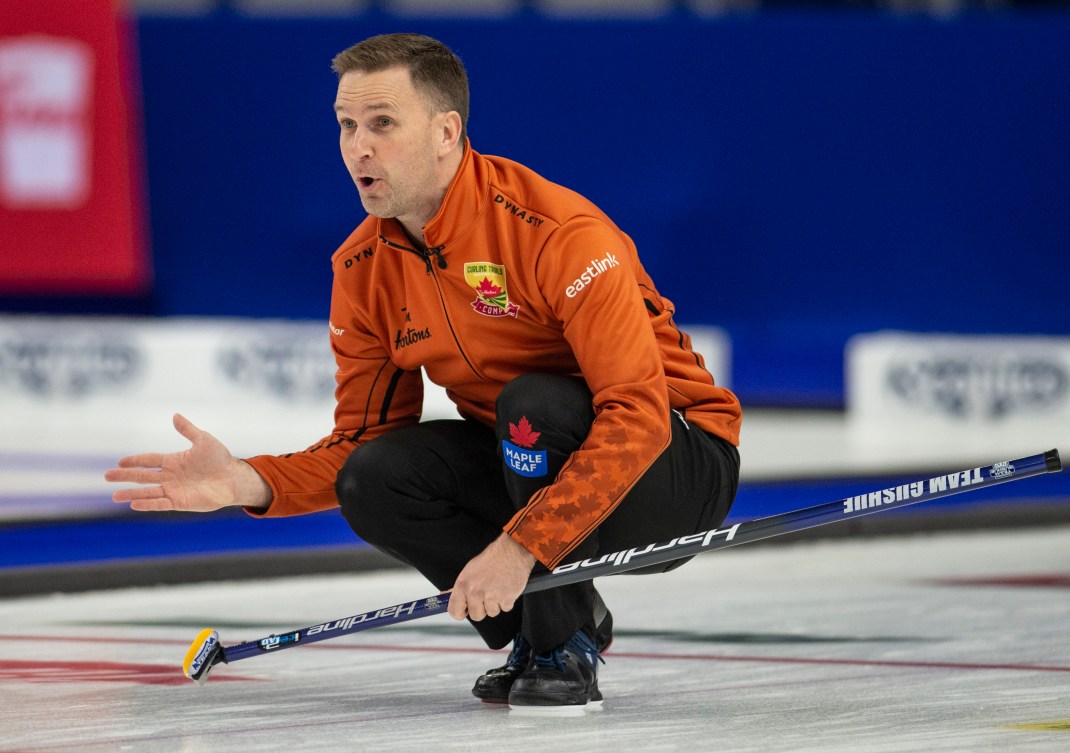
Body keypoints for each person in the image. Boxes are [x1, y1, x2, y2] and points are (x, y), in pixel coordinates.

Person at [106, 33, 741, 712]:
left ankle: (560, 642)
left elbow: (637, 416)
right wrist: (248, 480)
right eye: (347, 126)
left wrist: (522, 546)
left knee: (531, 407)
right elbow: (361, 439)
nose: (358, 148)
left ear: (446, 132)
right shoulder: (361, 268)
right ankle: (548, 616)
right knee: (375, 477)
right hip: (528, 456)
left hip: (677, 462)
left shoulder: (558, 234)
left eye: (382, 123)